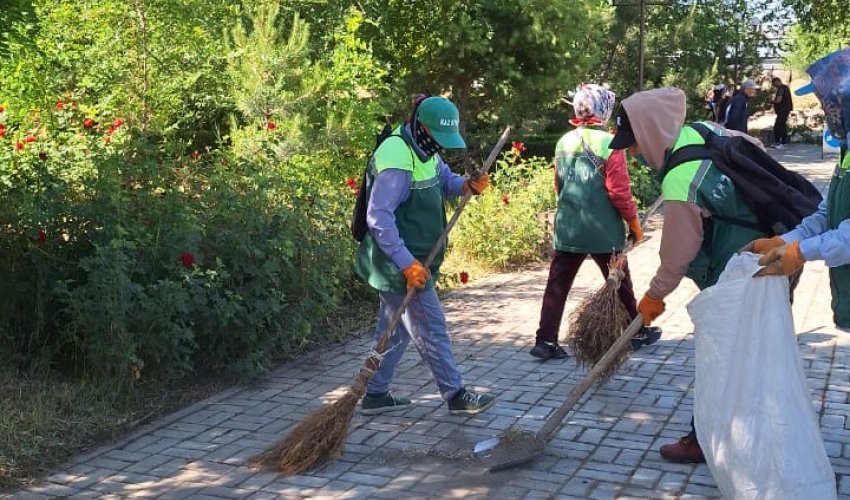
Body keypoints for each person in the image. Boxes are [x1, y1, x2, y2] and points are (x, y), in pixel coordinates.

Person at [609, 87, 770, 463]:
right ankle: (746, 434)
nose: (632, 152)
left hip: (737, 271)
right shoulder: (704, 132)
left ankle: (706, 440)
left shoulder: (681, 177)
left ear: (650, 132)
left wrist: (654, 296)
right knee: (748, 353)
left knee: (720, 355)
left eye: (633, 143)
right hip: (769, 254)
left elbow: (676, 256)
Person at [354, 95, 496, 415]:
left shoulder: (424, 149)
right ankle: (456, 395)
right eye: (438, 138)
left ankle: (375, 394)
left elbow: (444, 180)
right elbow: (379, 218)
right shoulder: (396, 157)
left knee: (395, 329)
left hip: (412, 260)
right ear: (420, 127)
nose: (441, 146)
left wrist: (466, 186)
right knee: (430, 326)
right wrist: (407, 265)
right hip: (397, 263)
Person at [530, 84, 661, 361]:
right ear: (603, 110)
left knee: (557, 285)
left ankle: (546, 340)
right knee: (620, 280)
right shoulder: (611, 144)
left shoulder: (563, 141)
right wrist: (634, 223)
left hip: (569, 228)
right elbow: (619, 192)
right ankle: (634, 332)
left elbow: (559, 184)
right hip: (603, 230)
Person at [744, 48, 850, 327]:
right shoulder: (847, 151)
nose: (825, 112)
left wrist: (800, 251)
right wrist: (786, 240)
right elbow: (829, 214)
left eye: (825, 103)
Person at [771, 77, 793, 148]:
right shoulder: (786, 87)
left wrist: (771, 101)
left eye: (774, 84)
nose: (774, 86)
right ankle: (784, 141)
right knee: (782, 125)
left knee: (778, 126)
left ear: (777, 82)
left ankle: (778, 142)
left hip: (782, 110)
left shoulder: (781, 89)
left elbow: (778, 100)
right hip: (786, 109)